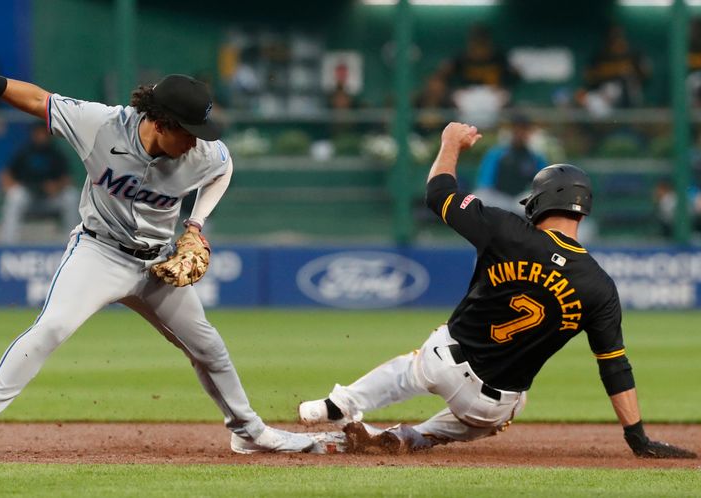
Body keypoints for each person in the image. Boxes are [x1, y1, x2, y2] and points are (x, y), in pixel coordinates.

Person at [0, 46, 314, 457]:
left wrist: (195, 225)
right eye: (188, 130)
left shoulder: (202, 153)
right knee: (53, 327)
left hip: (158, 263)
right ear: (161, 123)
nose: (195, 142)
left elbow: (224, 168)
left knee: (208, 347)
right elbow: (40, 100)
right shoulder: (101, 125)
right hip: (99, 253)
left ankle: (248, 431)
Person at [298, 122, 697, 460]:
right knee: (499, 412)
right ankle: (409, 437)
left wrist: (450, 143)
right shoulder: (600, 287)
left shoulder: (507, 230)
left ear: (541, 201)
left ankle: (338, 405)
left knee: (416, 364)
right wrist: (637, 437)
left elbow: (438, 195)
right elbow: (614, 367)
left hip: (446, 363)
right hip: (494, 407)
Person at [0, 123, 80, 243]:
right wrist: (13, 186)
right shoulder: (24, 151)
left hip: (50, 199)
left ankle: (72, 243)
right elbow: (6, 174)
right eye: (38, 132)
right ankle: (8, 244)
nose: (41, 136)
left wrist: (56, 186)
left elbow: (67, 179)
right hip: (29, 197)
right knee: (15, 196)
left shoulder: (55, 153)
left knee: (71, 196)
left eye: (44, 133)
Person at [473, 114, 546, 215]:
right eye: (516, 129)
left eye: (523, 130)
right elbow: (485, 184)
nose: (519, 133)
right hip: (499, 199)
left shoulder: (535, 156)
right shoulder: (496, 153)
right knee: (479, 198)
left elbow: (543, 185)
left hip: (520, 201)